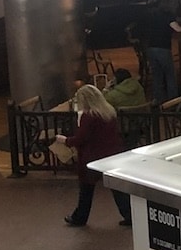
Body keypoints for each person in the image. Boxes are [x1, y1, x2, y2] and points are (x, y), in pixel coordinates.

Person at [57, 85, 133, 227]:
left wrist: (65, 140)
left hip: (92, 157)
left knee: (86, 189)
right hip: (112, 154)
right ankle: (129, 215)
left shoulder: (89, 116)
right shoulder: (109, 112)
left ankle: (80, 217)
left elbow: (81, 138)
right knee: (117, 188)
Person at [127, 5, 181, 102]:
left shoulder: (152, 17)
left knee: (157, 75)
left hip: (150, 49)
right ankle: (173, 101)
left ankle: (158, 100)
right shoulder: (168, 16)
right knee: (170, 75)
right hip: (163, 48)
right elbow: (178, 28)